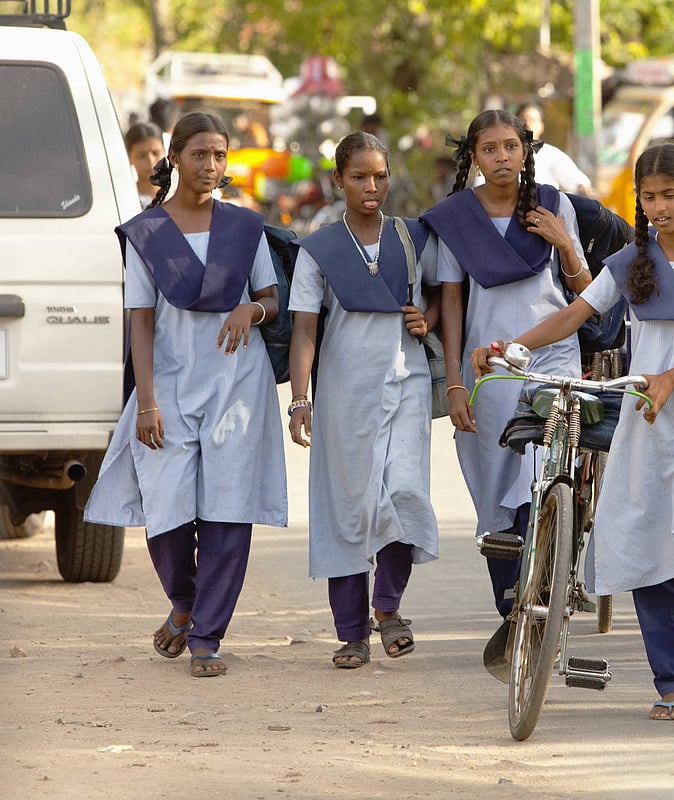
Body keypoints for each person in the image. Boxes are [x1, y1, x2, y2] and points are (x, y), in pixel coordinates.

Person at [472, 143, 674, 721]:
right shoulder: (629, 263)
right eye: (648, 196)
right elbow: (573, 314)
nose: (658, 206)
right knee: (651, 548)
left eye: (669, 194)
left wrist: (672, 377)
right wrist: (515, 346)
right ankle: (670, 682)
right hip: (646, 422)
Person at [84, 111, 288, 677]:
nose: (211, 165)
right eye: (200, 154)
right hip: (169, 386)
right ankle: (184, 603)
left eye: (220, 155)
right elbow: (141, 323)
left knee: (228, 511)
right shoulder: (148, 234)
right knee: (167, 510)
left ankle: (206, 641)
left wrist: (254, 307)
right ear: (173, 159)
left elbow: (271, 298)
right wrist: (145, 401)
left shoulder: (245, 228)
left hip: (236, 386)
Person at [419, 109, 592, 652]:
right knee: (495, 493)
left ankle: (544, 587)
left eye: (511, 146)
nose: (501, 157)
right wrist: (452, 386)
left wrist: (564, 243)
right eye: (489, 148)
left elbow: (585, 291)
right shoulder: (454, 220)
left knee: (542, 474)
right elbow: (449, 306)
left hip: (554, 357)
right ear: (472, 156)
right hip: (487, 367)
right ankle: (513, 608)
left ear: (526, 151)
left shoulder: (554, 205)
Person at [286, 132, 440, 669]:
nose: (371, 187)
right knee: (348, 508)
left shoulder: (414, 237)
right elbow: (305, 330)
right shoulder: (319, 249)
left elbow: (440, 298)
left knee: (404, 493)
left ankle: (388, 607)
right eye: (358, 177)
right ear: (338, 181)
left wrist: (430, 320)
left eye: (379, 176)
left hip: (407, 384)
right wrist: (299, 400)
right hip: (344, 393)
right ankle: (351, 633)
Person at [124, 121, 166, 209]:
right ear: (129, 158)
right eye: (141, 156)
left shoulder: (179, 194)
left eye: (156, 153)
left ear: (165, 151)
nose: (151, 161)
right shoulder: (127, 201)